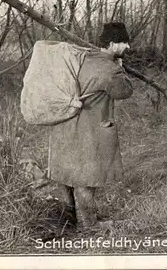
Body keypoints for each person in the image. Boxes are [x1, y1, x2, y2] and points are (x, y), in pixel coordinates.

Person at [47, 22, 133, 229]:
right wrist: (120, 69)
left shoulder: (83, 57)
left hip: (63, 125)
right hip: (87, 129)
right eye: (123, 42)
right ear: (112, 44)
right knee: (87, 177)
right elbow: (124, 91)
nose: (127, 47)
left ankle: (67, 220)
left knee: (66, 174)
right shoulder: (110, 69)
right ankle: (89, 225)